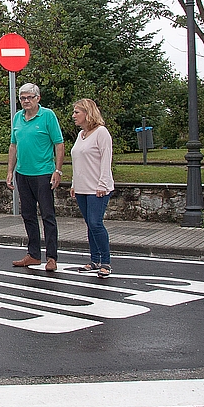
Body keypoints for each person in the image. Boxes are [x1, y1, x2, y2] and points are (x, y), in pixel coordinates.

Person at [6, 83, 65, 271]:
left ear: (38, 98)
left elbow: (59, 144)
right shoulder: (17, 118)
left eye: (29, 97)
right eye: (22, 98)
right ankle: (33, 254)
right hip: (23, 173)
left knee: (48, 215)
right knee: (28, 214)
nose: (25, 101)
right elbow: (13, 145)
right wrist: (10, 171)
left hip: (43, 172)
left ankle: (51, 257)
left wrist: (58, 170)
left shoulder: (47, 116)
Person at [70, 99, 115, 278]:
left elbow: (106, 160)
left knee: (96, 223)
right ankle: (94, 259)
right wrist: (74, 183)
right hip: (82, 187)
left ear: (87, 113)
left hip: (97, 188)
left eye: (77, 112)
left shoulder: (101, 133)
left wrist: (103, 184)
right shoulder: (81, 135)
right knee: (89, 224)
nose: (73, 116)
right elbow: (77, 162)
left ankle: (106, 261)